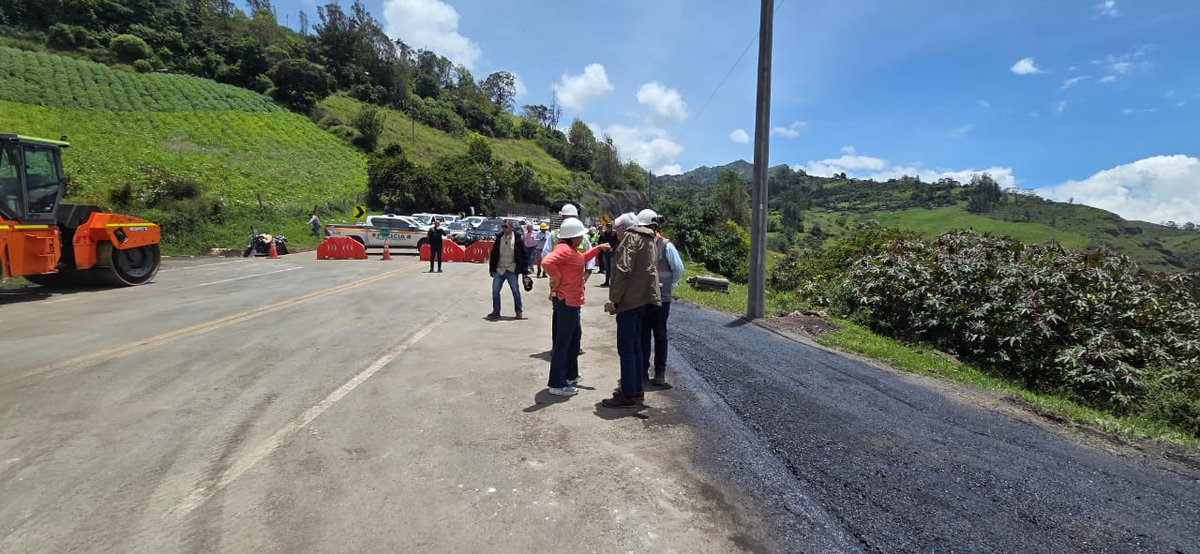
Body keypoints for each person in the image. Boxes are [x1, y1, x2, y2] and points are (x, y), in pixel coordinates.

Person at [539, 217, 609, 396]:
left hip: (572, 301)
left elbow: (581, 258)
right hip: (566, 301)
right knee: (563, 342)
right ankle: (556, 383)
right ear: (573, 237)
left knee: (573, 339)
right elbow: (546, 262)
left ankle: (570, 375)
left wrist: (598, 249)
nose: (582, 238)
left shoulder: (571, 250)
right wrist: (557, 278)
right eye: (580, 235)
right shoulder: (563, 249)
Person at [602, 212, 661, 409]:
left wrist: (614, 299)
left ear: (623, 228)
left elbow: (623, 270)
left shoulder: (630, 237)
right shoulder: (648, 238)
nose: (615, 232)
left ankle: (627, 394)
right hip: (642, 300)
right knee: (635, 347)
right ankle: (635, 388)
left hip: (628, 302)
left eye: (616, 228)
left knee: (626, 349)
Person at [637, 209, 684, 387]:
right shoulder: (644, 244)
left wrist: (665, 285)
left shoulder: (665, 245)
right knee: (648, 335)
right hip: (647, 298)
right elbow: (678, 270)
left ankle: (657, 373)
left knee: (658, 335)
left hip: (658, 299)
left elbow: (678, 269)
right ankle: (647, 373)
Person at [487, 219, 529, 320]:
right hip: (500, 269)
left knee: (515, 291)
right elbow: (493, 254)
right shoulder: (499, 238)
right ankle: (496, 312)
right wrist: (492, 269)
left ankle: (518, 312)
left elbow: (523, 255)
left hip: (511, 269)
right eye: (502, 227)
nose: (503, 228)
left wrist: (524, 271)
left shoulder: (518, 239)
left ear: (511, 227)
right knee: (495, 291)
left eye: (505, 226)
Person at [598, 223, 617, 287]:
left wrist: (613, 248)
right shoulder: (603, 234)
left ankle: (612, 282)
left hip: (612, 253)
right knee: (607, 268)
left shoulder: (614, 234)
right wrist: (603, 248)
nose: (609, 228)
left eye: (610, 226)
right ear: (606, 227)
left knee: (612, 268)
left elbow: (617, 242)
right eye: (608, 226)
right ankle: (606, 281)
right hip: (605, 252)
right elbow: (599, 242)